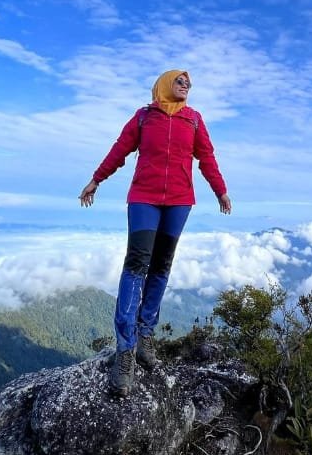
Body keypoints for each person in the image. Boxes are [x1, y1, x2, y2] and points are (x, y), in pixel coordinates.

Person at [78, 69, 232, 397]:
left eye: (189, 82)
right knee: (136, 264)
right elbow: (119, 150)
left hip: (179, 202)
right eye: (180, 80)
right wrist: (96, 179)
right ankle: (125, 349)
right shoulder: (144, 117)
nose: (186, 85)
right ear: (164, 85)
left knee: (161, 266)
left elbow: (207, 158)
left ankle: (145, 332)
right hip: (144, 199)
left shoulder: (193, 120)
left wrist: (220, 191)